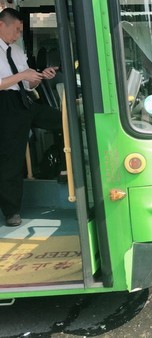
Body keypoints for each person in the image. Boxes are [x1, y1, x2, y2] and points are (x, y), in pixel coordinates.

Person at [0, 8, 61, 227]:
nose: (17, 35)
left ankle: (65, 167)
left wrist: (39, 77)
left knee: (63, 120)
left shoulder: (16, 50)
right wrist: (22, 76)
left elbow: (27, 83)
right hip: (5, 105)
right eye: (15, 30)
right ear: (2, 25)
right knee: (11, 158)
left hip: (24, 100)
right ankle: (11, 211)